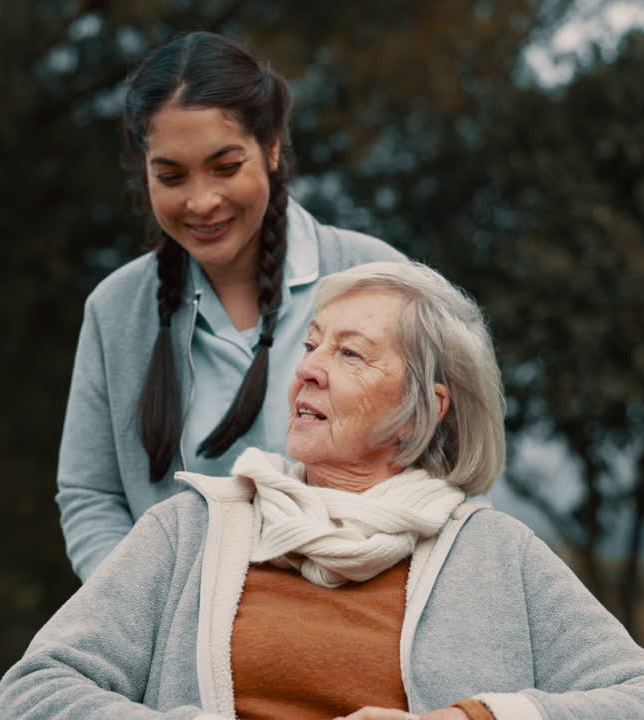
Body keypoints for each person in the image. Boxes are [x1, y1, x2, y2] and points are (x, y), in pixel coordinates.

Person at [0, 262, 644, 720]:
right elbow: (32, 695)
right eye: (310, 346)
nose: (307, 371)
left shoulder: (494, 554)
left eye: (350, 354)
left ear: (424, 410)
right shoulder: (192, 529)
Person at [57, 32, 405, 580]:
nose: (201, 201)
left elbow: (446, 468)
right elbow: (91, 494)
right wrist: (141, 612)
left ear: (270, 148)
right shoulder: (115, 311)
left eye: (224, 166)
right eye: (170, 176)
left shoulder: (380, 283)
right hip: (181, 650)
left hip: (356, 636)